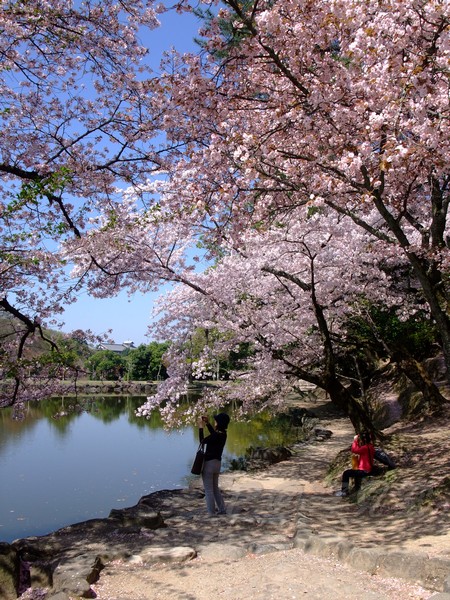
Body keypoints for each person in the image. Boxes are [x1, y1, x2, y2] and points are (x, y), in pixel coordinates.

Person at [198, 412, 230, 516]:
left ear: (219, 423)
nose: (214, 421)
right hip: (217, 464)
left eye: (216, 420)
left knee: (208, 490)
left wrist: (200, 428)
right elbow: (214, 435)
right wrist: (207, 424)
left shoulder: (216, 435)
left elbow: (202, 441)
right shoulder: (223, 434)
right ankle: (222, 509)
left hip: (209, 464)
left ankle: (211, 513)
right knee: (215, 488)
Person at [335, 430, 375, 497]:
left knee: (346, 473)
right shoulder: (370, 447)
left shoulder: (365, 448)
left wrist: (355, 440)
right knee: (352, 472)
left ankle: (344, 491)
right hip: (368, 469)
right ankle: (348, 490)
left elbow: (354, 450)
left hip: (364, 471)